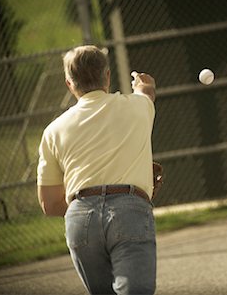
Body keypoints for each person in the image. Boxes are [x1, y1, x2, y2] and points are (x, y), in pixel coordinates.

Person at [37, 45, 162, 295]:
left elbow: (50, 204)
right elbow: (145, 92)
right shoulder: (139, 107)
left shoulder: (53, 130)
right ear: (107, 76)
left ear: (69, 84)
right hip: (129, 211)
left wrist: (90, 203)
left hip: (80, 217)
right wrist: (142, 84)